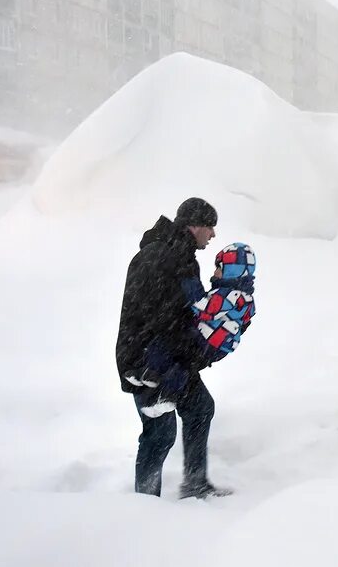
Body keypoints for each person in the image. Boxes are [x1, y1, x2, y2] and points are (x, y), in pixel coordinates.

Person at [116, 197, 229, 499]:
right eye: (210, 227)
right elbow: (159, 317)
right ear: (194, 226)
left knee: (201, 408)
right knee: (160, 432)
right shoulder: (159, 256)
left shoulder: (181, 256)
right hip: (148, 361)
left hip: (173, 357)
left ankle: (195, 483)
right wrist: (190, 349)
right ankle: (144, 502)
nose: (213, 234)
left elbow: (187, 311)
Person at [137, 243, 257, 419]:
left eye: (220, 268)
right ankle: (152, 375)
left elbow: (204, 307)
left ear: (234, 271)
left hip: (207, 341)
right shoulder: (240, 296)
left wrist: (189, 281)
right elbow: (245, 316)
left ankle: (167, 397)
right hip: (213, 343)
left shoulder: (233, 295)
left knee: (179, 358)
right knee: (176, 355)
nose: (215, 272)